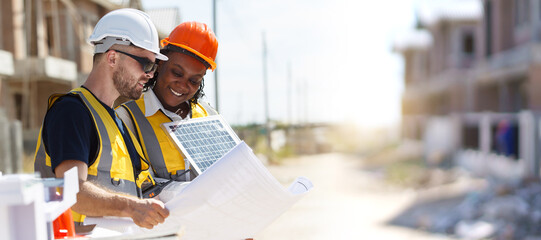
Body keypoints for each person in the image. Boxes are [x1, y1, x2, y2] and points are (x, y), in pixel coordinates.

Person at [33, 8, 169, 229]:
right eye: (146, 64)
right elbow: (72, 192)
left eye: (154, 66)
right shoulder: (72, 112)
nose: (151, 74)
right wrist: (132, 207)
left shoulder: (117, 123)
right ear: (113, 57)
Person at [116, 21, 219, 182]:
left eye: (194, 81)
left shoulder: (210, 116)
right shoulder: (126, 118)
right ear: (161, 63)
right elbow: (132, 185)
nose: (183, 85)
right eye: (177, 73)